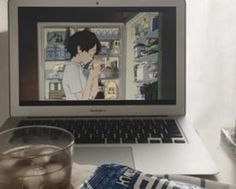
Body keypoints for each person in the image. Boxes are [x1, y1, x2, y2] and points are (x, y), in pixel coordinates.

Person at [62, 29, 104, 100]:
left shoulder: (79, 67)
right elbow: (82, 100)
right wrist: (91, 76)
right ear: (79, 49)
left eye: (93, 55)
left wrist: (95, 75)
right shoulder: (72, 70)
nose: (92, 58)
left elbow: (93, 94)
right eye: (90, 54)